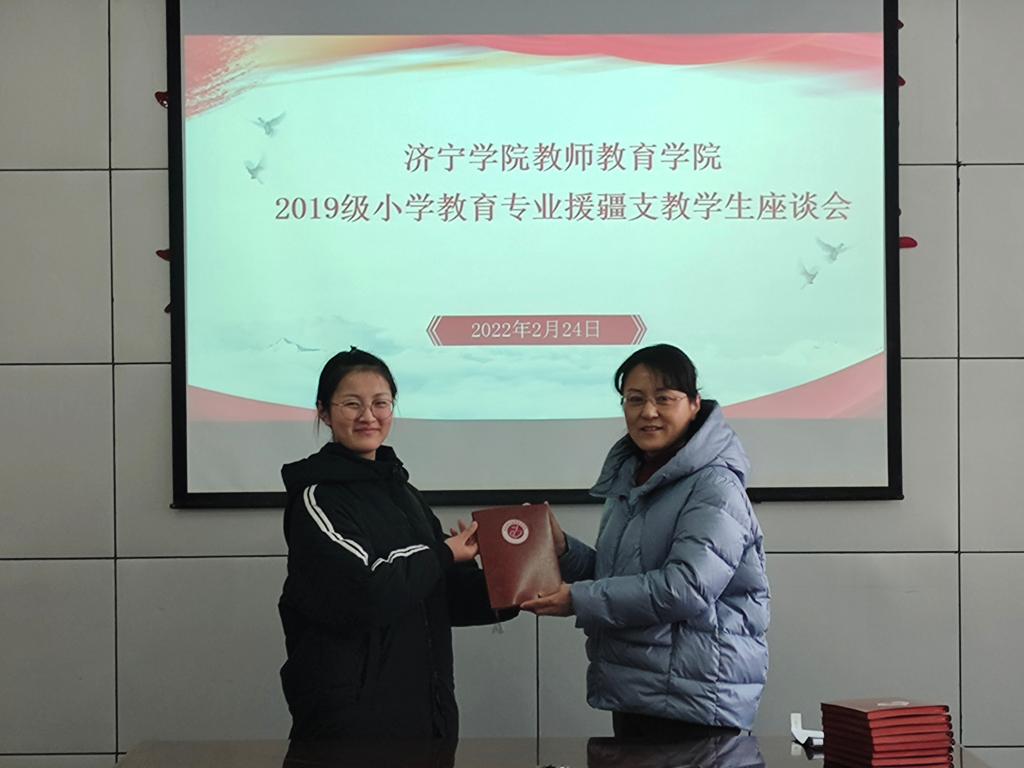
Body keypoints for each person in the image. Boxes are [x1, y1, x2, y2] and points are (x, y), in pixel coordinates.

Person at [522, 344, 769, 739]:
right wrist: (562, 549)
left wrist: (578, 599)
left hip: (694, 698)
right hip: (643, 690)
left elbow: (685, 589)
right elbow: (618, 575)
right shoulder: (634, 479)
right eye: (634, 399)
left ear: (694, 404)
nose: (648, 412)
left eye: (663, 398)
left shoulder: (714, 485)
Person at [278, 348, 507, 741]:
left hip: (427, 712)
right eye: (352, 404)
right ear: (324, 412)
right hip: (353, 723)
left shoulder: (405, 494)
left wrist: (510, 578)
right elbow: (365, 591)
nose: (368, 416)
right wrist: (444, 553)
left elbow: (438, 594)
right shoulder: (316, 498)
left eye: (380, 403)